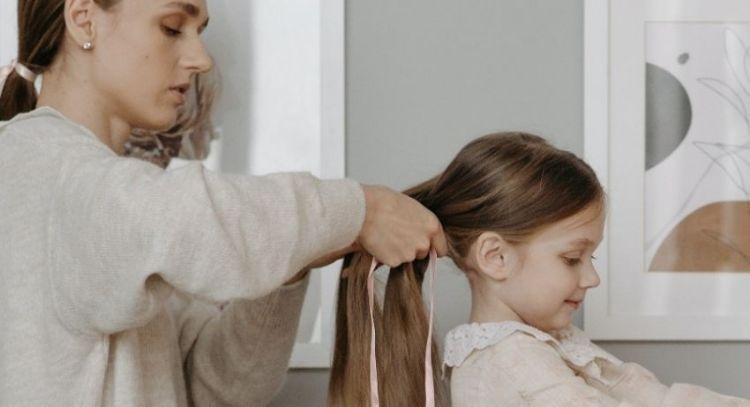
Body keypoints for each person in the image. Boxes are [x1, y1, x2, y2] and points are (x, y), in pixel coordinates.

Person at [0, 0, 447, 406]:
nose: (202, 59)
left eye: (200, 32)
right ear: (83, 19)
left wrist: (288, 268)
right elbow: (188, 218)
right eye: (173, 27)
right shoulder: (37, 169)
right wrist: (361, 209)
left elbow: (218, 387)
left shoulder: (106, 202)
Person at [329, 132, 750, 407]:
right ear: (495, 257)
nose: (592, 278)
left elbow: (650, 395)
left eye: (592, 258)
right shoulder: (509, 360)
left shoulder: (549, 344)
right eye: (572, 259)